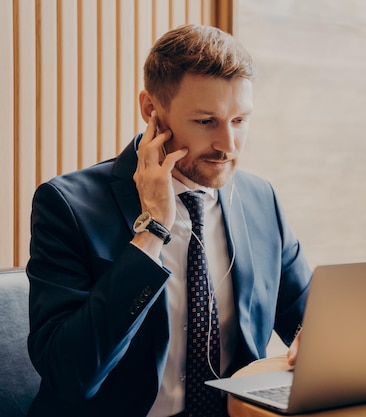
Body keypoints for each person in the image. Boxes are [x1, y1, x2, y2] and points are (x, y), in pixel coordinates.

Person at [26, 24, 311, 417]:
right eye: (206, 121)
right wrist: (153, 232)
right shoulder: (68, 205)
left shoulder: (260, 200)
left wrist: (316, 340)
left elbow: (309, 318)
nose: (227, 146)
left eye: (240, 121)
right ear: (151, 109)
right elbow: (70, 375)